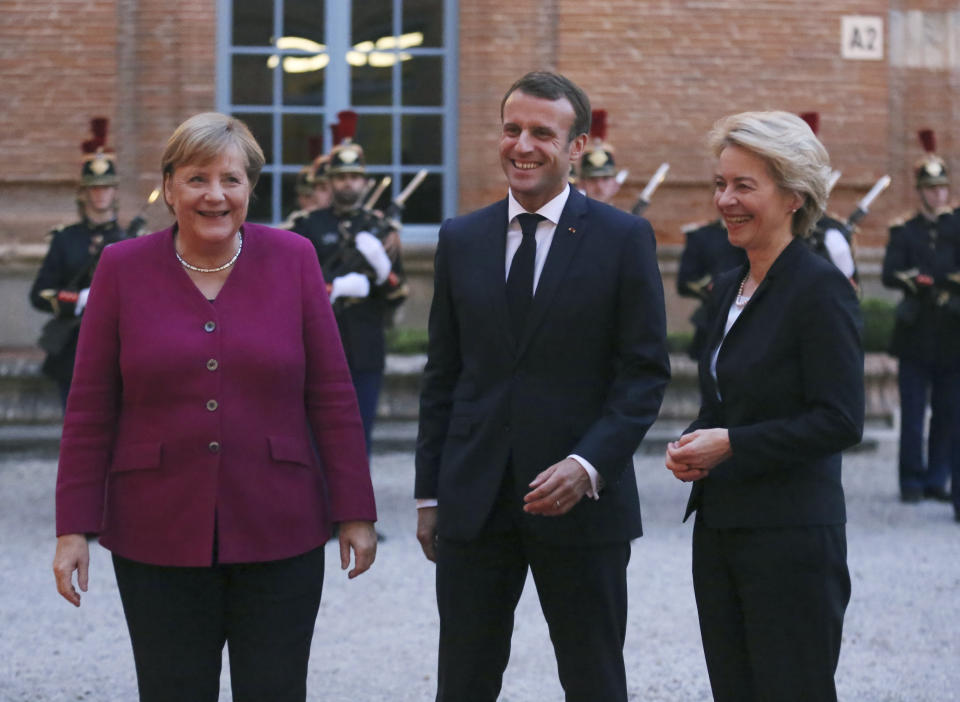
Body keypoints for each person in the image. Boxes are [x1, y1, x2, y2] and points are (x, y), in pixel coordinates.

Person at [51, 112, 378, 702]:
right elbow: (91, 406)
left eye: (231, 179)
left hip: (281, 523)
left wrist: (355, 510)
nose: (215, 195)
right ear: (169, 186)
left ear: (250, 188)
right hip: (156, 527)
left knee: (275, 689)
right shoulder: (122, 267)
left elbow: (332, 393)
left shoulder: (295, 258)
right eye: (198, 178)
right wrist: (73, 526)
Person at [415, 72, 670, 702]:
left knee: (594, 681)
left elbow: (643, 373)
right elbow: (443, 375)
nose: (522, 145)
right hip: (476, 501)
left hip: (581, 504)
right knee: (464, 683)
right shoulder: (460, 238)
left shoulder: (623, 238)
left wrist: (588, 464)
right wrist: (429, 493)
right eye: (511, 129)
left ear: (578, 145)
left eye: (541, 133)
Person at [665, 111, 864, 702]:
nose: (725, 199)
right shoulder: (731, 283)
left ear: (794, 196)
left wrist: (731, 444)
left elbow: (840, 418)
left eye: (744, 186)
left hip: (792, 538)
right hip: (723, 527)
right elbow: (731, 398)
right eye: (720, 184)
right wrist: (695, 442)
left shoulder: (820, 288)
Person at [290, 110, 407, 455]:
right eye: (341, 177)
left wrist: (381, 267)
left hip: (364, 345)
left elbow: (397, 294)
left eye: (355, 177)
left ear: (365, 183)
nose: (348, 184)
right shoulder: (308, 225)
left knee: (359, 437)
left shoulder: (381, 230)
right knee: (314, 438)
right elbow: (293, 284)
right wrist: (333, 288)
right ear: (330, 182)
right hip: (318, 345)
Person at [29, 118, 138, 407]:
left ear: (115, 191)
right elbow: (40, 293)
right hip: (73, 350)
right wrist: (79, 299)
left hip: (119, 349)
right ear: (84, 192)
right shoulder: (65, 239)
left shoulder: (131, 240)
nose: (100, 194)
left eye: (106, 188)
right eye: (94, 188)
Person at [882, 128, 960, 507]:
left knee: (947, 412)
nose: (938, 194)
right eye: (931, 188)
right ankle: (911, 481)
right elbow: (889, 272)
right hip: (915, 332)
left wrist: (941, 282)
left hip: (951, 332)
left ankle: (938, 478)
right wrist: (917, 281)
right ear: (921, 190)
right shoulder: (904, 230)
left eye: (942, 187)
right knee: (913, 414)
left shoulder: (957, 225)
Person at [676, 218, 748, 360]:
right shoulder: (703, 235)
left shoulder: (762, 234)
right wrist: (715, 287)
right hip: (712, 321)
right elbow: (685, 281)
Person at [579, 108, 621, 204]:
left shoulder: (628, 219)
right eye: (592, 180)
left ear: (615, 185)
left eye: (605, 179)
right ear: (581, 184)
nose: (599, 187)